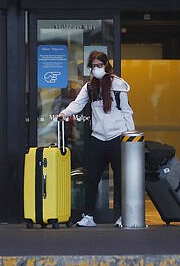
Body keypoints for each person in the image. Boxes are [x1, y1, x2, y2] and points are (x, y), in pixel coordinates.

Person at [57, 50, 135, 227]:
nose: (96, 69)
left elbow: (127, 111)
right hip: (98, 137)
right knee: (92, 178)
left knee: (120, 180)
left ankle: (122, 217)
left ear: (107, 65)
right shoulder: (89, 87)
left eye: (99, 65)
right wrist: (64, 113)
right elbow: (78, 104)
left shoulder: (118, 85)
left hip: (117, 137)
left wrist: (130, 136)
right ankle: (88, 216)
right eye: (93, 66)